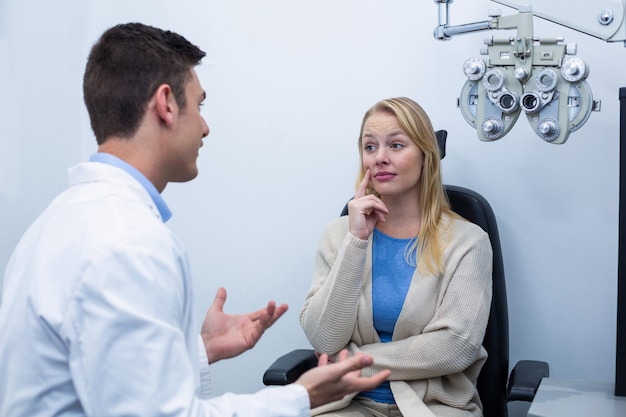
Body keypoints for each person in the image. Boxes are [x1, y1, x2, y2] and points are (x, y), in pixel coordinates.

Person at [0, 23, 391, 417]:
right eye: (200, 105)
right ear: (166, 104)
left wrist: (200, 349)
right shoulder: (128, 242)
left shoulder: (62, 218)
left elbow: (105, 379)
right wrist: (300, 397)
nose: (205, 127)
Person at [299, 97, 493, 417]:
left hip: (432, 406)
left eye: (396, 145)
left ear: (425, 155)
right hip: (349, 403)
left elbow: (455, 345)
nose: (379, 158)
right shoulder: (338, 236)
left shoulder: (468, 242)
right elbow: (323, 337)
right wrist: (356, 242)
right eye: (370, 147)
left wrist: (354, 363)